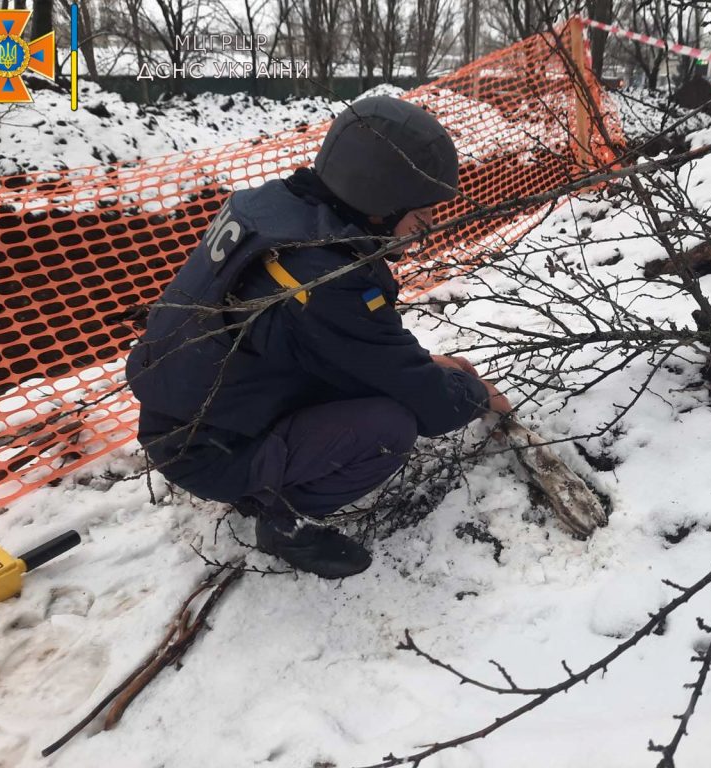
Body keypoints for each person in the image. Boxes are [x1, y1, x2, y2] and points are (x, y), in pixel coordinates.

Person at [126, 96, 511, 579]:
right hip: (206, 452)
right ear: (379, 201)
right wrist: (476, 395)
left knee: (387, 387)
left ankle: (268, 465)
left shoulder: (273, 208)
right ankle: (280, 516)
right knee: (390, 428)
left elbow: (342, 347)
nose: (424, 229)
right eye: (420, 215)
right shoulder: (327, 277)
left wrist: (425, 366)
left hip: (190, 415)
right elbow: (428, 406)